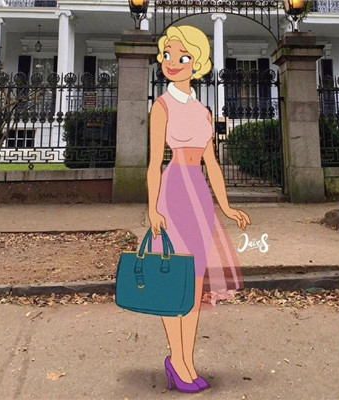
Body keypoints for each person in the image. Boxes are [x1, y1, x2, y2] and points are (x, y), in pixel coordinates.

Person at [147, 25, 251, 394]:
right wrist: (152, 209)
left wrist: (227, 206)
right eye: (168, 55)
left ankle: (185, 361)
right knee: (173, 277)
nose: (172, 62)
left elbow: (213, 164)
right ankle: (177, 360)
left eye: (183, 56)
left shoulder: (204, 112)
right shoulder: (161, 106)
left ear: (198, 63)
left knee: (194, 282)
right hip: (173, 189)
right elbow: (153, 164)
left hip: (199, 196)